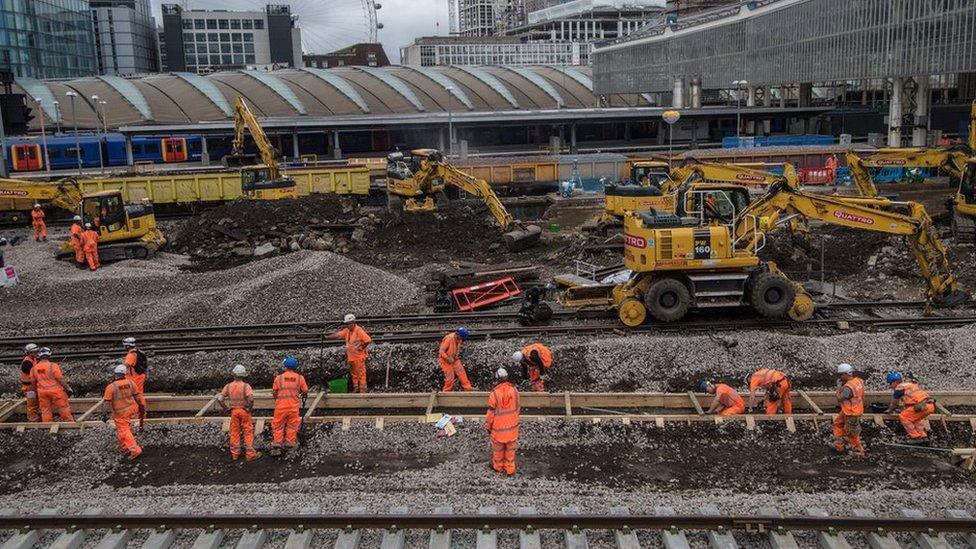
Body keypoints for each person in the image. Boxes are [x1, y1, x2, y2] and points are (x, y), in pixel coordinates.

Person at [218, 364, 261, 461]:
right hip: (244, 411)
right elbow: (251, 399)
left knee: (234, 432)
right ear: (243, 375)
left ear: (234, 374)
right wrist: (250, 408)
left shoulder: (228, 386)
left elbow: (220, 399)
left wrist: (226, 409)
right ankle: (250, 454)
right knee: (248, 431)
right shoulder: (246, 386)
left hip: (234, 411)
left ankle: (235, 454)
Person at [103, 364, 145, 460]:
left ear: (115, 374)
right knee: (122, 429)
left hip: (120, 413)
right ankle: (124, 448)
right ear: (124, 374)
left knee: (124, 431)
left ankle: (135, 450)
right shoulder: (131, 383)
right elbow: (138, 397)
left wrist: (105, 414)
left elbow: (106, 403)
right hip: (131, 410)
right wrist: (141, 406)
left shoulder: (111, 387)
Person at [884, 371, 935, 445]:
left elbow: (895, 403)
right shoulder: (910, 385)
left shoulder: (899, 388)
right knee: (916, 419)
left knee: (903, 416)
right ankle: (923, 437)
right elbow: (913, 399)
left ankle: (915, 437)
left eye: (890, 383)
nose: (890, 386)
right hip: (930, 405)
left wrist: (889, 410)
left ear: (894, 382)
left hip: (921, 406)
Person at [485, 368, 520, 475]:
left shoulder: (494, 394)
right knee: (510, 450)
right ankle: (510, 469)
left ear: (497, 379)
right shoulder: (514, 390)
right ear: (506, 377)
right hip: (512, 428)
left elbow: (490, 414)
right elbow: (518, 408)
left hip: (498, 430)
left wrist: (488, 427)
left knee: (498, 451)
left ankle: (498, 467)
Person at [271, 356, 308, 456]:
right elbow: (305, 391)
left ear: (285, 366)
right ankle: (290, 445)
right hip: (293, 407)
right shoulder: (300, 378)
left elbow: (274, 392)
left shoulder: (279, 378)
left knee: (278, 426)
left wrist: (277, 400)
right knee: (292, 426)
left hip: (280, 407)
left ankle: (277, 446)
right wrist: (298, 395)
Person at [330, 314, 372, 393]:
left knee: (361, 374)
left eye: (348, 324)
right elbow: (338, 335)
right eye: (346, 324)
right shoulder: (347, 331)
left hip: (359, 357)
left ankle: (363, 390)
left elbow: (368, 340)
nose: (347, 325)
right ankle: (356, 388)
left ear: (353, 322)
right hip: (351, 357)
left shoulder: (359, 330)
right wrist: (326, 337)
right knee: (354, 374)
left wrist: (362, 347)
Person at [30, 347, 74, 422]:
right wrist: (68, 388)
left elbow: (33, 383)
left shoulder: (34, 368)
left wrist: (36, 392)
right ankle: (69, 422)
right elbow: (60, 379)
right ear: (49, 355)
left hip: (42, 392)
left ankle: (47, 425)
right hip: (56, 392)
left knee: (45, 410)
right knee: (63, 407)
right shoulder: (53, 366)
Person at [833, 363, 865, 457]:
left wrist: (839, 387)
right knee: (838, 424)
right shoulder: (859, 381)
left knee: (852, 433)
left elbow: (839, 398)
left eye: (841, 375)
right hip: (851, 410)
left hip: (851, 412)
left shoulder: (848, 388)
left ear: (845, 374)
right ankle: (838, 445)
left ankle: (858, 450)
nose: (840, 377)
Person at [439, 327, 473, 392]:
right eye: (462, 338)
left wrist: (456, 356)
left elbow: (456, 348)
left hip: (454, 359)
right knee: (450, 377)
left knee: (462, 373)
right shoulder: (449, 339)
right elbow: (441, 351)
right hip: (445, 360)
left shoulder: (458, 338)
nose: (462, 340)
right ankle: (446, 392)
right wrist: (447, 358)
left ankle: (468, 389)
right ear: (459, 335)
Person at [19, 344, 41, 422]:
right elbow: (33, 372)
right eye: (34, 352)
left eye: (36, 352)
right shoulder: (27, 362)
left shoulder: (33, 359)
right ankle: (32, 419)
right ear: (29, 353)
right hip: (29, 387)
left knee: (36, 401)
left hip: (32, 385)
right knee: (32, 404)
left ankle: (37, 416)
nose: (36, 353)